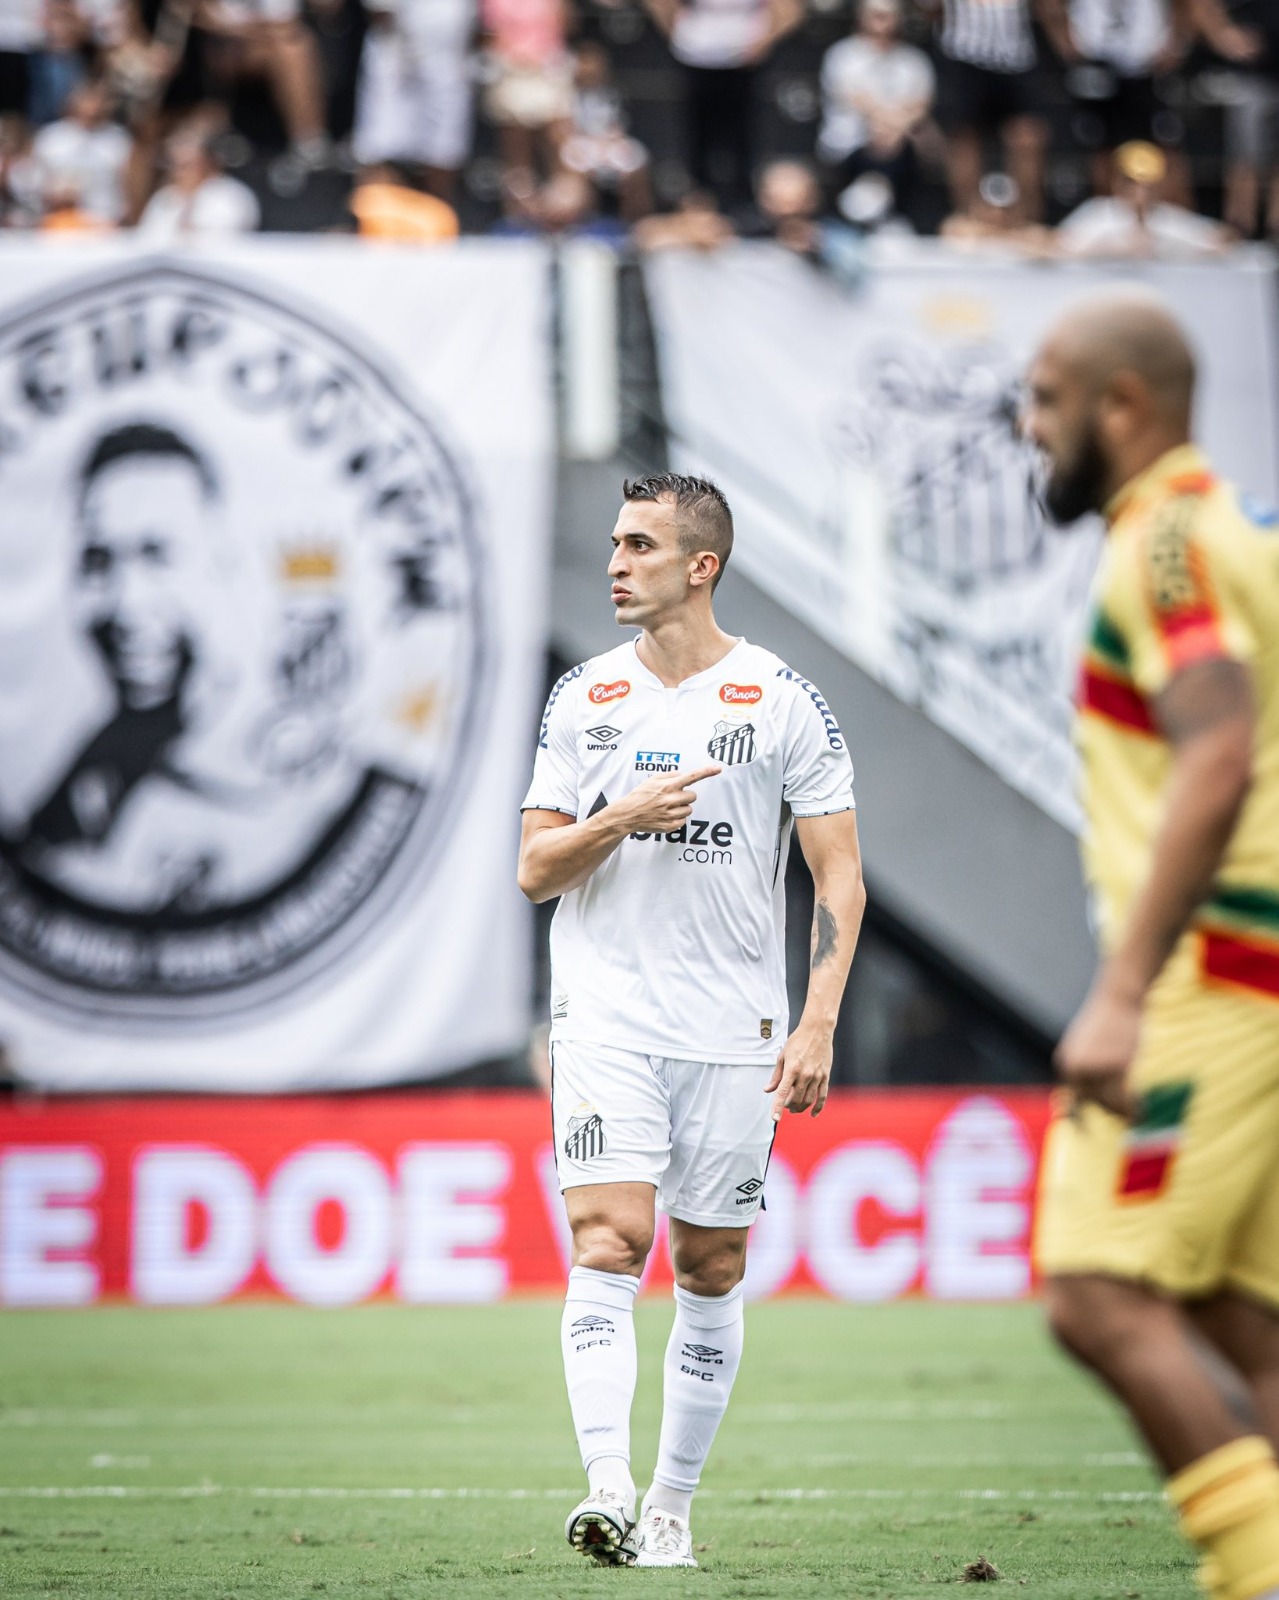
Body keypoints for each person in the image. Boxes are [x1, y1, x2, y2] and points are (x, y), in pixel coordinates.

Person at [517, 473, 865, 1567]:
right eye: (617, 543)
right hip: (605, 1015)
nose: (616, 562)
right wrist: (618, 815)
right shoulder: (585, 697)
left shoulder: (782, 700)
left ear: (698, 565)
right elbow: (533, 867)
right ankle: (608, 1488)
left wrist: (815, 1026)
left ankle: (669, 1503)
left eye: (639, 545)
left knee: (710, 1265)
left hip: (734, 1030)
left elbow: (840, 878)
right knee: (609, 1238)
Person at [1026, 290, 1279, 1600]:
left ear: (1117, 406)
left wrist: (1121, 989)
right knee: (1245, 1323)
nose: (1030, 430)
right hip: (1257, 978)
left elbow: (1220, 746)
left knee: (1093, 1293)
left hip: (1209, 979)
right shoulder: (1232, 528)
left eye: (1043, 400)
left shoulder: (1163, 545)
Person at [644, 0, 801, 213]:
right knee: (696, 136)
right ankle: (698, 204)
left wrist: (765, 41)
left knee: (744, 136)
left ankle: (745, 203)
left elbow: (790, 10)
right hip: (696, 56)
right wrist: (678, 33)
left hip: (744, 58)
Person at [923, 0, 1049, 222]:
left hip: (1016, 55)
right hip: (964, 52)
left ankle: (1027, 221)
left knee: (1027, 137)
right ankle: (968, 218)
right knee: (964, 140)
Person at [817, 0, 934, 220]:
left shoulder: (914, 61)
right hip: (850, 145)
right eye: (876, 15)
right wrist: (887, 125)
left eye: (888, 15)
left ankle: (902, 219)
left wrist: (893, 129)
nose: (882, 22)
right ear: (862, 16)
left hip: (901, 144)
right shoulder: (842, 55)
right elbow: (858, 101)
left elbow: (920, 107)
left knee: (906, 147)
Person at [1055, 137, 1230, 257]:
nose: (1140, 193)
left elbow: (1219, 240)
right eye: (1132, 183)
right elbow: (1057, 245)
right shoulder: (1099, 213)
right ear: (1118, 182)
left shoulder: (1169, 219)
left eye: (1148, 185)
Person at [134, 118, 258, 236]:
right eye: (173, 165)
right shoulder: (164, 198)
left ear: (206, 162)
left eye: (185, 166)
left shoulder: (230, 195)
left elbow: (230, 239)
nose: (177, 172)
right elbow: (147, 237)